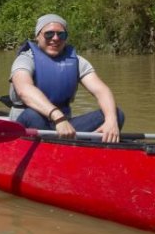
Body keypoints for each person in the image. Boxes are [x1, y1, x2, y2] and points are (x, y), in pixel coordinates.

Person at [9, 14, 124, 142]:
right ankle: (57, 147)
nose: (55, 38)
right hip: (30, 124)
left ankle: (88, 149)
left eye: (61, 34)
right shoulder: (25, 60)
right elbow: (24, 90)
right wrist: (58, 116)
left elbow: (101, 91)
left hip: (64, 126)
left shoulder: (77, 62)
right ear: (38, 36)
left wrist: (111, 120)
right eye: (49, 34)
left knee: (115, 114)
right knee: (33, 115)